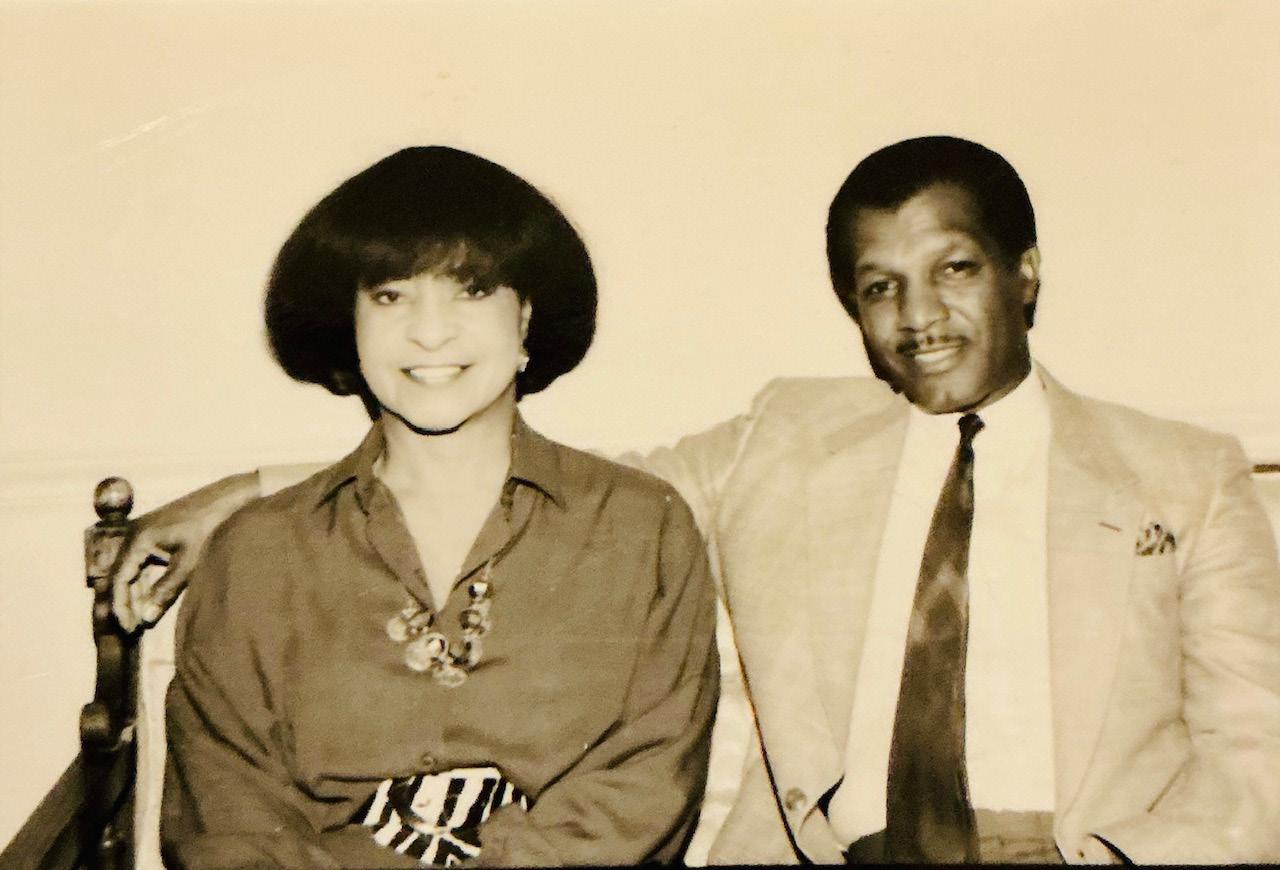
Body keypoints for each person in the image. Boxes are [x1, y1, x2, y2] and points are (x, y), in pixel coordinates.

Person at [119, 137, 1280, 864]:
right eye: (878, 285)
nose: (916, 315)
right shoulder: (783, 437)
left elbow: (1256, 752)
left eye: (953, 270)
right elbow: (521, 475)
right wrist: (251, 492)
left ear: (1023, 273)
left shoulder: (1181, 472)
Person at [158, 146, 719, 868]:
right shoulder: (255, 552)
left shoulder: (642, 528)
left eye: (471, 291)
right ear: (349, 322)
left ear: (527, 316)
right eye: (391, 296)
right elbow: (229, 809)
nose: (429, 332)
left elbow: (645, 785)